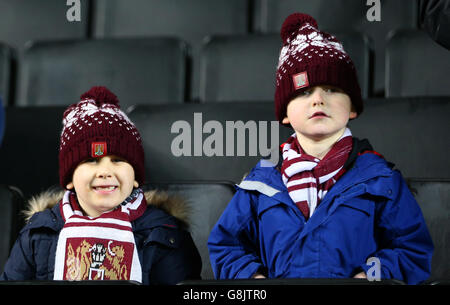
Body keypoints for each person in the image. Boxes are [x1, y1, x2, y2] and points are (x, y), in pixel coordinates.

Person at [207, 13, 433, 285]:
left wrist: (370, 277)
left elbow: (412, 249)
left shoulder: (381, 179)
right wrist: (255, 279)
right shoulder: (259, 183)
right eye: (303, 92)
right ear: (285, 115)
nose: (318, 100)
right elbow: (226, 245)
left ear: (352, 108)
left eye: (332, 89)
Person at [1, 86, 201, 284]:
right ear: (70, 179)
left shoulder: (164, 234)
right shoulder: (38, 233)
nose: (105, 171)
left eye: (117, 160)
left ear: (136, 177)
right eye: (91, 160)